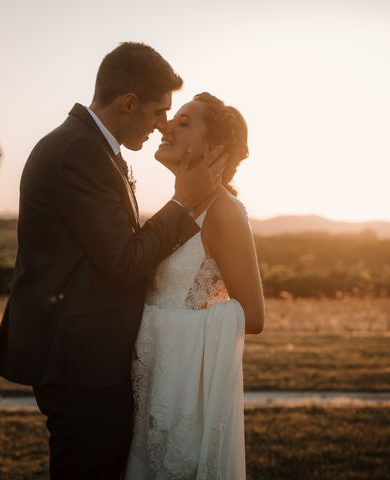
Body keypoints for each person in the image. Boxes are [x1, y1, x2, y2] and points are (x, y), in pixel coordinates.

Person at [0, 43, 226, 480]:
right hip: (81, 363)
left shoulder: (89, 146)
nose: (161, 126)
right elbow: (122, 263)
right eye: (158, 113)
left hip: (84, 357)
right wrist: (183, 201)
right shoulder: (79, 150)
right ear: (128, 103)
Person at [124, 92, 265, 479]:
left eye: (184, 122)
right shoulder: (179, 206)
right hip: (151, 385)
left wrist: (160, 324)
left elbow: (252, 315)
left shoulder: (224, 211)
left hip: (182, 390)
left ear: (213, 149)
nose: (165, 125)